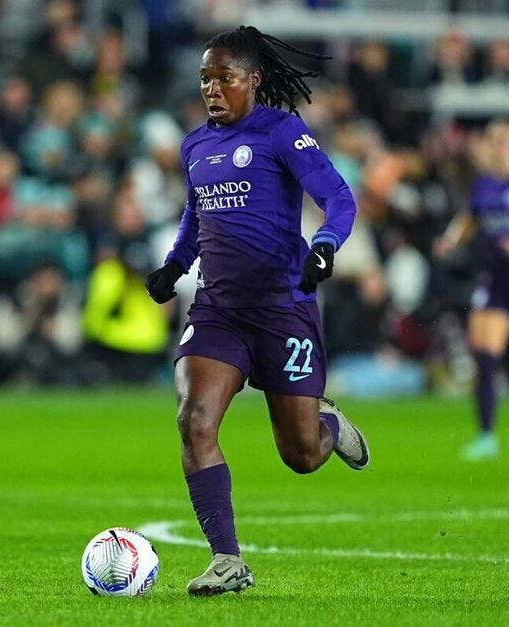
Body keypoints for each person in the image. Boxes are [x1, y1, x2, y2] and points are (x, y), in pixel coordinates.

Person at [144, 26, 370, 596]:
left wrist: (324, 246)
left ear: (254, 80)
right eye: (205, 79)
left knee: (300, 455)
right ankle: (227, 560)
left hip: (281, 307)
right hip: (218, 308)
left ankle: (326, 423)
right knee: (193, 421)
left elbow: (339, 197)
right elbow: (198, 218)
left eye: (224, 77)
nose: (212, 89)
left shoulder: (280, 131)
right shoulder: (194, 146)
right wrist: (175, 267)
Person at [434, 120, 509, 461]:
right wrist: (451, 239)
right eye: (494, 141)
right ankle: (486, 437)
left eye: (505, 141)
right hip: (494, 279)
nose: (499, 147)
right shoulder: (484, 185)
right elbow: (470, 218)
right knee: (484, 354)